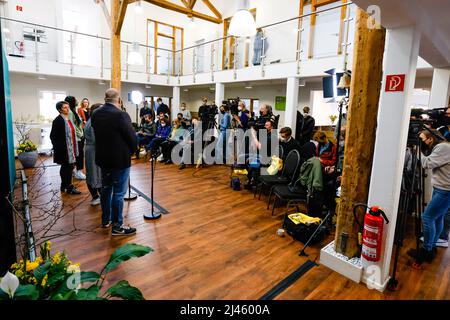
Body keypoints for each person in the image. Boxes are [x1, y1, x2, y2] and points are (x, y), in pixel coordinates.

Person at [91, 88, 137, 236]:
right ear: (119, 99)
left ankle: (106, 220)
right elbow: (131, 137)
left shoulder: (96, 113)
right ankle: (118, 226)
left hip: (103, 159)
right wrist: (132, 150)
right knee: (118, 193)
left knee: (106, 188)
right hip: (119, 160)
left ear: (105, 98)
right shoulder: (121, 115)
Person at [408, 130, 450, 264]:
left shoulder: (443, 147)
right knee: (437, 218)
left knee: (427, 217)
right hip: (442, 188)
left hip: (445, 190)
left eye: (423, 139)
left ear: (430, 139)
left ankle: (426, 251)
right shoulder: (443, 146)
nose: (422, 142)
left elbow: (426, 164)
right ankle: (431, 246)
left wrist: (417, 149)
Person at [50, 101, 81, 195]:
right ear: (59, 110)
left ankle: (65, 186)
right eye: (64, 107)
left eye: (68, 107)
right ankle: (69, 187)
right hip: (64, 150)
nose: (67, 109)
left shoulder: (67, 119)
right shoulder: (58, 120)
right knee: (66, 168)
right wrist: (61, 148)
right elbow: (53, 136)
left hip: (70, 148)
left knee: (69, 167)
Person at [84, 103, 103, 206]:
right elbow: (97, 139)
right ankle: (96, 197)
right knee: (94, 173)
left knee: (93, 173)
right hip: (94, 150)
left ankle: (97, 195)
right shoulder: (93, 122)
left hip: (91, 149)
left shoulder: (91, 120)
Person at [65, 96, 86, 180]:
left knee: (80, 155)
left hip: (79, 136)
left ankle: (77, 171)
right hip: (77, 138)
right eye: (75, 99)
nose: (77, 100)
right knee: (79, 155)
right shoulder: (70, 112)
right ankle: (78, 172)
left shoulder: (74, 111)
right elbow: (72, 126)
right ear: (72, 101)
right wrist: (80, 134)